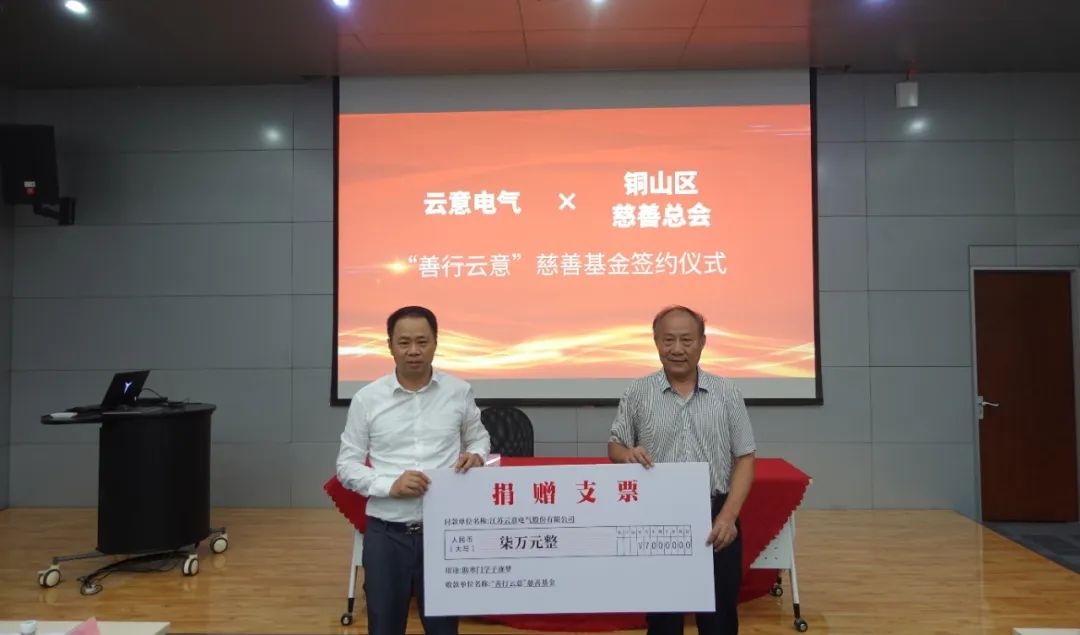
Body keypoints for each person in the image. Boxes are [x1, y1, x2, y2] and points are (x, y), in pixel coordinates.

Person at [336, 305, 491, 635]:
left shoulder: (458, 391)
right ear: (389, 346)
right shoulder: (367, 399)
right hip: (386, 534)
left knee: (443, 628)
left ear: (436, 342)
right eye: (404, 342)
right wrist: (389, 485)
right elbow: (346, 466)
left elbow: (478, 438)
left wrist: (476, 455)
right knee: (384, 626)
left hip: (443, 532)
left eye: (422, 341)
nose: (414, 351)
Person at [608, 305, 756, 635]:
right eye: (668, 340)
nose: (677, 349)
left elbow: (745, 458)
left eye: (687, 340)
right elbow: (615, 446)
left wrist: (728, 517)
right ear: (656, 342)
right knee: (663, 619)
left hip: (716, 517)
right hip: (658, 517)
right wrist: (627, 454)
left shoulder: (727, 392)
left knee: (719, 620)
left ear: (702, 342)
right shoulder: (638, 392)